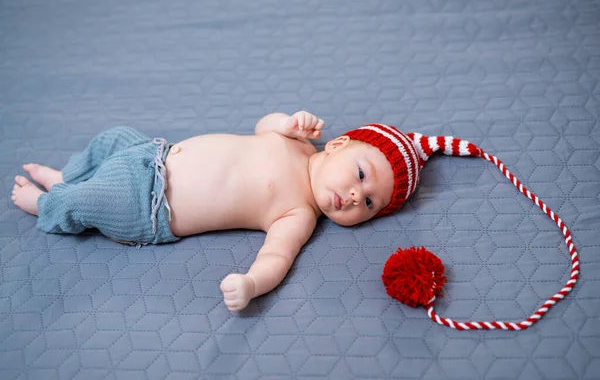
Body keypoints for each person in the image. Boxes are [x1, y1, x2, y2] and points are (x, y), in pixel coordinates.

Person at [11, 111, 402, 311]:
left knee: (92, 201)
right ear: (336, 145)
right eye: (361, 175)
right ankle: (69, 176)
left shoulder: (298, 212)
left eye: (369, 203)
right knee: (112, 138)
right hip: (153, 154)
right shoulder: (296, 142)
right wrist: (287, 120)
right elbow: (262, 124)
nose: (354, 195)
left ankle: (49, 204)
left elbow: (276, 258)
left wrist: (250, 285)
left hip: (149, 206)